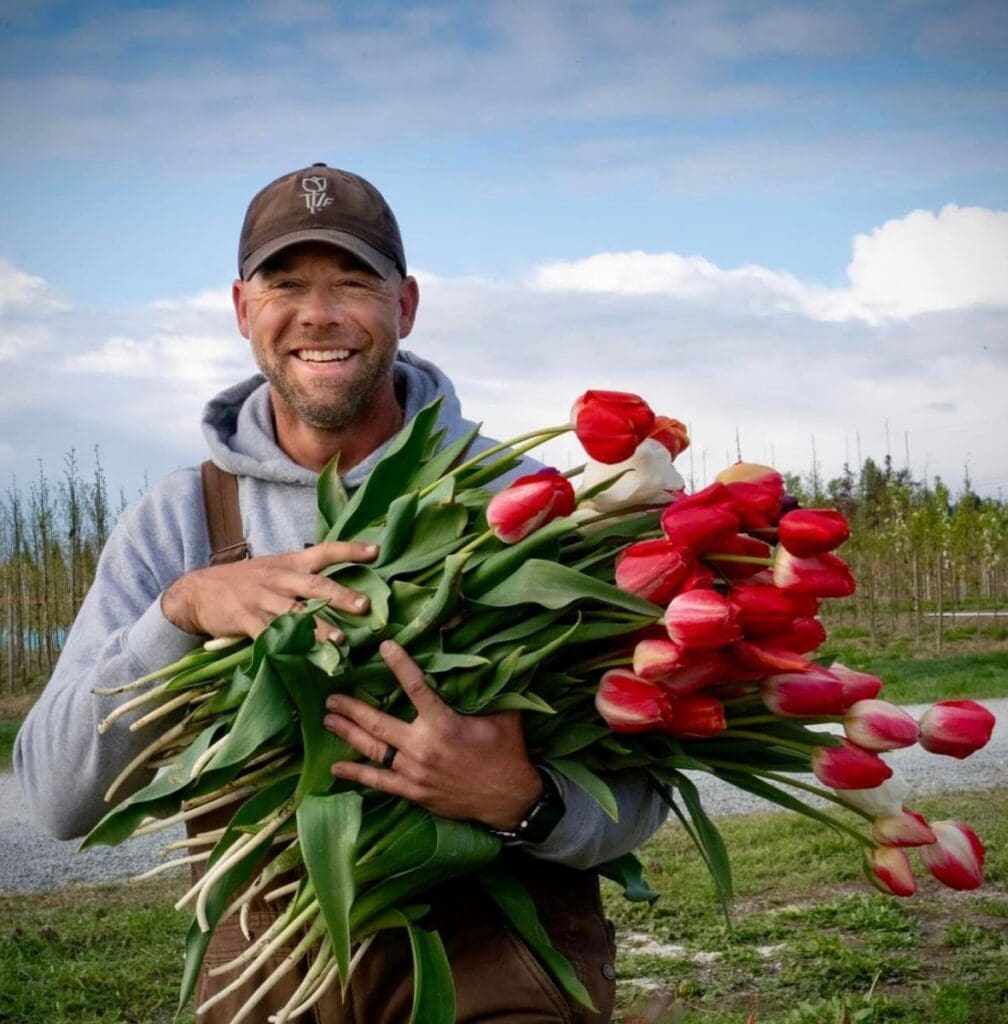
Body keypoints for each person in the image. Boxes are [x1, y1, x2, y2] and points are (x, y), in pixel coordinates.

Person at [15, 164, 667, 1023]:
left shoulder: (538, 505)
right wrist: (181, 612)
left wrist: (523, 799)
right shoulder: (180, 523)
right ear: (243, 309)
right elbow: (59, 799)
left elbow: (646, 792)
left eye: (353, 282)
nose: (318, 314)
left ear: (406, 305)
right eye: (286, 284)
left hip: (497, 961)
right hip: (264, 976)